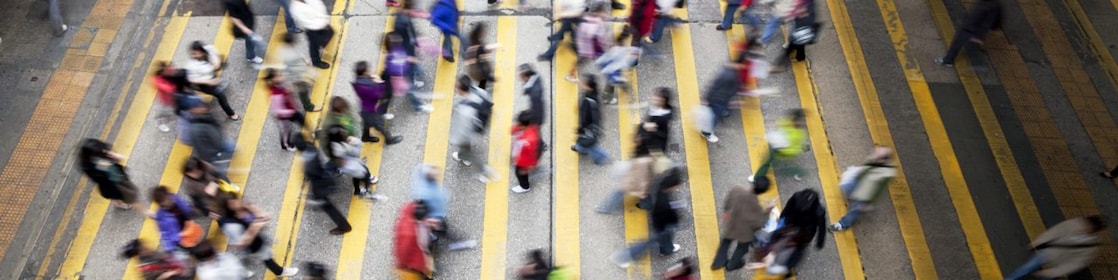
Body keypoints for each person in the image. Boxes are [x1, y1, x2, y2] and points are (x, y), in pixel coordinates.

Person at [611, 166, 685, 267]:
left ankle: (667, 249)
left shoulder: (662, 185)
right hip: (661, 225)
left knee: (663, 238)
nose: (678, 187)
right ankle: (623, 257)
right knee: (649, 242)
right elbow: (669, 215)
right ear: (673, 185)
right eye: (677, 185)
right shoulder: (665, 202)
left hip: (659, 220)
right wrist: (676, 220)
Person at [220, 196, 300, 277]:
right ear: (228, 207)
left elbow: (259, 215)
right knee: (267, 257)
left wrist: (255, 212)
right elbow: (241, 243)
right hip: (253, 245)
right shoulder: (232, 225)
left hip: (257, 237)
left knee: (266, 250)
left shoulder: (242, 208)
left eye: (236, 199)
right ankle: (279, 272)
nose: (238, 202)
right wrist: (254, 229)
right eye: (233, 202)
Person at [1005, 216, 1105, 280]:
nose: (1082, 227)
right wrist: (1039, 241)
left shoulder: (1091, 248)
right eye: (1085, 224)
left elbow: (1075, 264)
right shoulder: (1073, 224)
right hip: (1048, 253)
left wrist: (1054, 272)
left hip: (1058, 265)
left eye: (1087, 227)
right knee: (1025, 269)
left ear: (1092, 231)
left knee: (1033, 271)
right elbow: (1054, 232)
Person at [829, 147, 896, 232]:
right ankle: (852, 198)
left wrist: (870, 203)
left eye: (877, 153)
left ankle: (842, 224)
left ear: (882, 159)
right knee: (846, 187)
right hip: (858, 182)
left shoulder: (885, 174)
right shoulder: (875, 159)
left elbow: (878, 190)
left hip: (866, 194)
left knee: (855, 210)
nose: (874, 153)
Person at [711, 177, 771, 271]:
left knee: (725, 242)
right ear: (763, 192)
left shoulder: (737, 189)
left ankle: (718, 262)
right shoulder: (756, 207)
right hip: (745, 233)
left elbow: (728, 202)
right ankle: (732, 265)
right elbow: (760, 224)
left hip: (732, 224)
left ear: (753, 183)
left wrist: (726, 211)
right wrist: (768, 210)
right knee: (742, 248)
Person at [764, 189, 826, 277]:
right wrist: (820, 243)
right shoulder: (818, 210)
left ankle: (779, 262)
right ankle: (786, 268)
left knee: (786, 245)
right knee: (794, 251)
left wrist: (782, 218)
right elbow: (821, 227)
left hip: (796, 229)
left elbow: (787, 209)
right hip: (799, 230)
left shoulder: (798, 197)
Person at [296, 137, 352, 235]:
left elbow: (312, 175)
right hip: (325, 178)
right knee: (325, 204)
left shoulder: (309, 163)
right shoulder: (311, 147)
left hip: (322, 186)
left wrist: (315, 194)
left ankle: (344, 226)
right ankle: (343, 225)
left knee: (328, 207)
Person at [450, 75, 499, 183]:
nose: (455, 89)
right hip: (481, 125)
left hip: (469, 134)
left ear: (461, 90)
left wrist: (454, 140)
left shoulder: (464, 110)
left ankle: (483, 171)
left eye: (456, 87)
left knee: (467, 152)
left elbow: (463, 131)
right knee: (465, 150)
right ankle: (464, 156)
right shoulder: (479, 91)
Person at [934, 0, 1002, 67]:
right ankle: (948, 60)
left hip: (972, 30)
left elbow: (986, 24)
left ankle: (949, 60)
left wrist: (979, 37)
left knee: (960, 44)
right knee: (960, 43)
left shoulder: (992, 6)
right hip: (969, 26)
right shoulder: (988, 3)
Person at [183, 41, 240, 120]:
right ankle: (231, 114)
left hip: (211, 75)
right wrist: (209, 82)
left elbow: (215, 56)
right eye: (193, 53)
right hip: (204, 83)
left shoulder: (209, 49)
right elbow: (192, 79)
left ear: (202, 51)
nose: (194, 56)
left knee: (223, 67)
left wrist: (217, 62)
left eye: (196, 53)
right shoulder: (192, 65)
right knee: (221, 96)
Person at [78, 139, 141, 211]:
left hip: (116, 175)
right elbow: (97, 178)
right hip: (110, 183)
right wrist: (103, 167)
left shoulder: (102, 150)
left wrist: (113, 157)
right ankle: (118, 203)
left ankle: (118, 201)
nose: (103, 151)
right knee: (117, 194)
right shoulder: (88, 166)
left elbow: (116, 159)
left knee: (121, 191)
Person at [749, 109, 807, 182]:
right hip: (777, 145)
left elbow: (792, 149)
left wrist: (781, 149)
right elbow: (781, 124)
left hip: (782, 150)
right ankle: (798, 171)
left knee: (769, 164)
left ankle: (757, 177)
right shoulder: (790, 122)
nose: (796, 122)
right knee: (768, 162)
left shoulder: (797, 134)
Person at [353, 61, 404, 145]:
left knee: (366, 123)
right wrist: (380, 82)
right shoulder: (367, 86)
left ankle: (365, 137)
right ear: (364, 72)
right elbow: (380, 95)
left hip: (364, 108)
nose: (370, 71)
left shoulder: (358, 81)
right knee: (381, 125)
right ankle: (389, 140)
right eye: (368, 70)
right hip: (372, 110)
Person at [324, 123, 380, 197]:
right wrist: (355, 144)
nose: (345, 132)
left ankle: (358, 190)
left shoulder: (336, 144)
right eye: (342, 132)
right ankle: (366, 189)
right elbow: (354, 153)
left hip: (347, 161)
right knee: (364, 172)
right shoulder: (338, 148)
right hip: (347, 163)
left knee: (358, 175)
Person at [150, 186, 202, 263]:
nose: (169, 199)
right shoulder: (161, 217)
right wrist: (169, 248)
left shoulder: (175, 198)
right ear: (161, 203)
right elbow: (165, 234)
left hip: (188, 225)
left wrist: (191, 210)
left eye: (168, 195)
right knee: (192, 249)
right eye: (165, 199)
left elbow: (184, 206)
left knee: (198, 240)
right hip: (181, 236)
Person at [382, 34, 430, 114]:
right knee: (411, 92)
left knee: (412, 84)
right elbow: (394, 71)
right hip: (401, 79)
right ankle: (419, 107)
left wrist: (407, 59)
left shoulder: (396, 49)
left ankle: (417, 103)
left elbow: (402, 56)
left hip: (406, 71)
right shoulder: (389, 59)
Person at [185, 104, 233, 180]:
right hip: (213, 152)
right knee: (219, 169)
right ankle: (223, 179)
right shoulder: (196, 128)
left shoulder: (203, 117)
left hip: (218, 144)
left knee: (230, 147)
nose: (202, 107)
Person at [566, 2, 611, 82]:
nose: (604, 14)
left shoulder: (588, 18)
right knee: (581, 62)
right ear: (598, 12)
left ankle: (571, 74)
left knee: (582, 62)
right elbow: (594, 36)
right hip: (587, 50)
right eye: (602, 13)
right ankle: (570, 75)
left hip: (586, 48)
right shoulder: (596, 22)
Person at [698, 64, 744, 143]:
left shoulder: (727, 73)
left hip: (720, 100)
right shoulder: (731, 77)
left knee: (714, 115)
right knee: (714, 118)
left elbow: (715, 86)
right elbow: (718, 88)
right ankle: (706, 133)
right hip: (719, 101)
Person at [769, 0, 818, 72]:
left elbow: (799, 10)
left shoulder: (804, 4)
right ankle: (800, 57)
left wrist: (789, 15)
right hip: (804, 23)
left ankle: (780, 65)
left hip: (802, 23)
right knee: (800, 40)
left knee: (792, 43)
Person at [595, 29, 641, 104]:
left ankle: (608, 97)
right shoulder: (619, 50)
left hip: (611, 71)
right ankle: (607, 99)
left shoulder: (616, 47)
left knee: (613, 85)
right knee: (614, 85)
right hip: (613, 73)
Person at [279, 33, 321, 113]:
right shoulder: (286, 56)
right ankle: (308, 106)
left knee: (307, 82)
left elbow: (299, 53)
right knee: (303, 91)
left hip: (302, 70)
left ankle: (305, 85)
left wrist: (306, 61)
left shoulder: (291, 47)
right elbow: (286, 70)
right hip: (298, 76)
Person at [265, 69, 306, 151]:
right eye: (278, 76)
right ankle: (286, 145)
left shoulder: (281, 84)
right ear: (273, 79)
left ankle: (311, 131)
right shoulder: (275, 95)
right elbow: (277, 111)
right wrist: (290, 112)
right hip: (285, 117)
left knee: (302, 120)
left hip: (292, 110)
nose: (281, 76)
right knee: (286, 132)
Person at [394, 201, 436, 279]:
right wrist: (402, 265)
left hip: (418, 251)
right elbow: (404, 251)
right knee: (419, 273)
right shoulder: (409, 234)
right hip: (415, 260)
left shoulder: (409, 212)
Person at [572, 74, 609, 165]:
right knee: (586, 143)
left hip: (588, 130)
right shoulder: (591, 95)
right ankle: (580, 148)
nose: (581, 84)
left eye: (584, 84)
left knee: (591, 146)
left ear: (590, 87)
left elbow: (585, 119)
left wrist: (580, 129)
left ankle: (602, 157)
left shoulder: (589, 101)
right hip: (589, 129)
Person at [290, 0, 333, 69]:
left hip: (321, 23)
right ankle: (316, 62)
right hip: (313, 29)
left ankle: (321, 46)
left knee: (328, 34)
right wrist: (322, 24)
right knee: (314, 45)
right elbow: (307, 22)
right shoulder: (295, 9)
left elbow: (319, 5)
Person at [223, 0, 264, 69]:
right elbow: (234, 17)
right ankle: (250, 56)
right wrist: (245, 29)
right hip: (243, 25)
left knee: (250, 40)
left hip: (247, 20)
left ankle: (250, 55)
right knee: (251, 40)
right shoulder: (229, 2)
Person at [120, 239, 187, 280]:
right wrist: (169, 273)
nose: (146, 247)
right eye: (143, 249)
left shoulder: (149, 253)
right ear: (139, 254)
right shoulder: (146, 269)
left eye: (143, 246)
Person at [412, 164, 449, 233]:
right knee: (439, 226)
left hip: (437, 213)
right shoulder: (424, 193)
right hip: (433, 215)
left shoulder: (425, 179)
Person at [152, 62, 188, 132]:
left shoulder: (169, 70)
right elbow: (170, 89)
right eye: (164, 71)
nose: (167, 71)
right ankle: (160, 122)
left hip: (176, 97)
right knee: (168, 113)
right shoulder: (158, 80)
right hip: (167, 100)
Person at [511, 111, 542, 193]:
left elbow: (532, 154)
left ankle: (524, 186)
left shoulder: (530, 140)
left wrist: (529, 166)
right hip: (520, 156)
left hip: (524, 161)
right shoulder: (531, 127)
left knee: (520, 173)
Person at [637, 88, 674, 155]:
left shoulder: (663, 117)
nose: (653, 97)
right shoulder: (655, 109)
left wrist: (652, 129)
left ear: (662, 101)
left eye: (657, 97)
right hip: (649, 140)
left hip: (655, 146)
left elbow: (663, 135)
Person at [465, 23, 498, 91]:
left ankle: (482, 86)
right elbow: (481, 58)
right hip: (479, 71)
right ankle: (481, 90)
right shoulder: (477, 47)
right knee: (483, 79)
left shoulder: (473, 39)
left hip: (475, 69)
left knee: (483, 79)